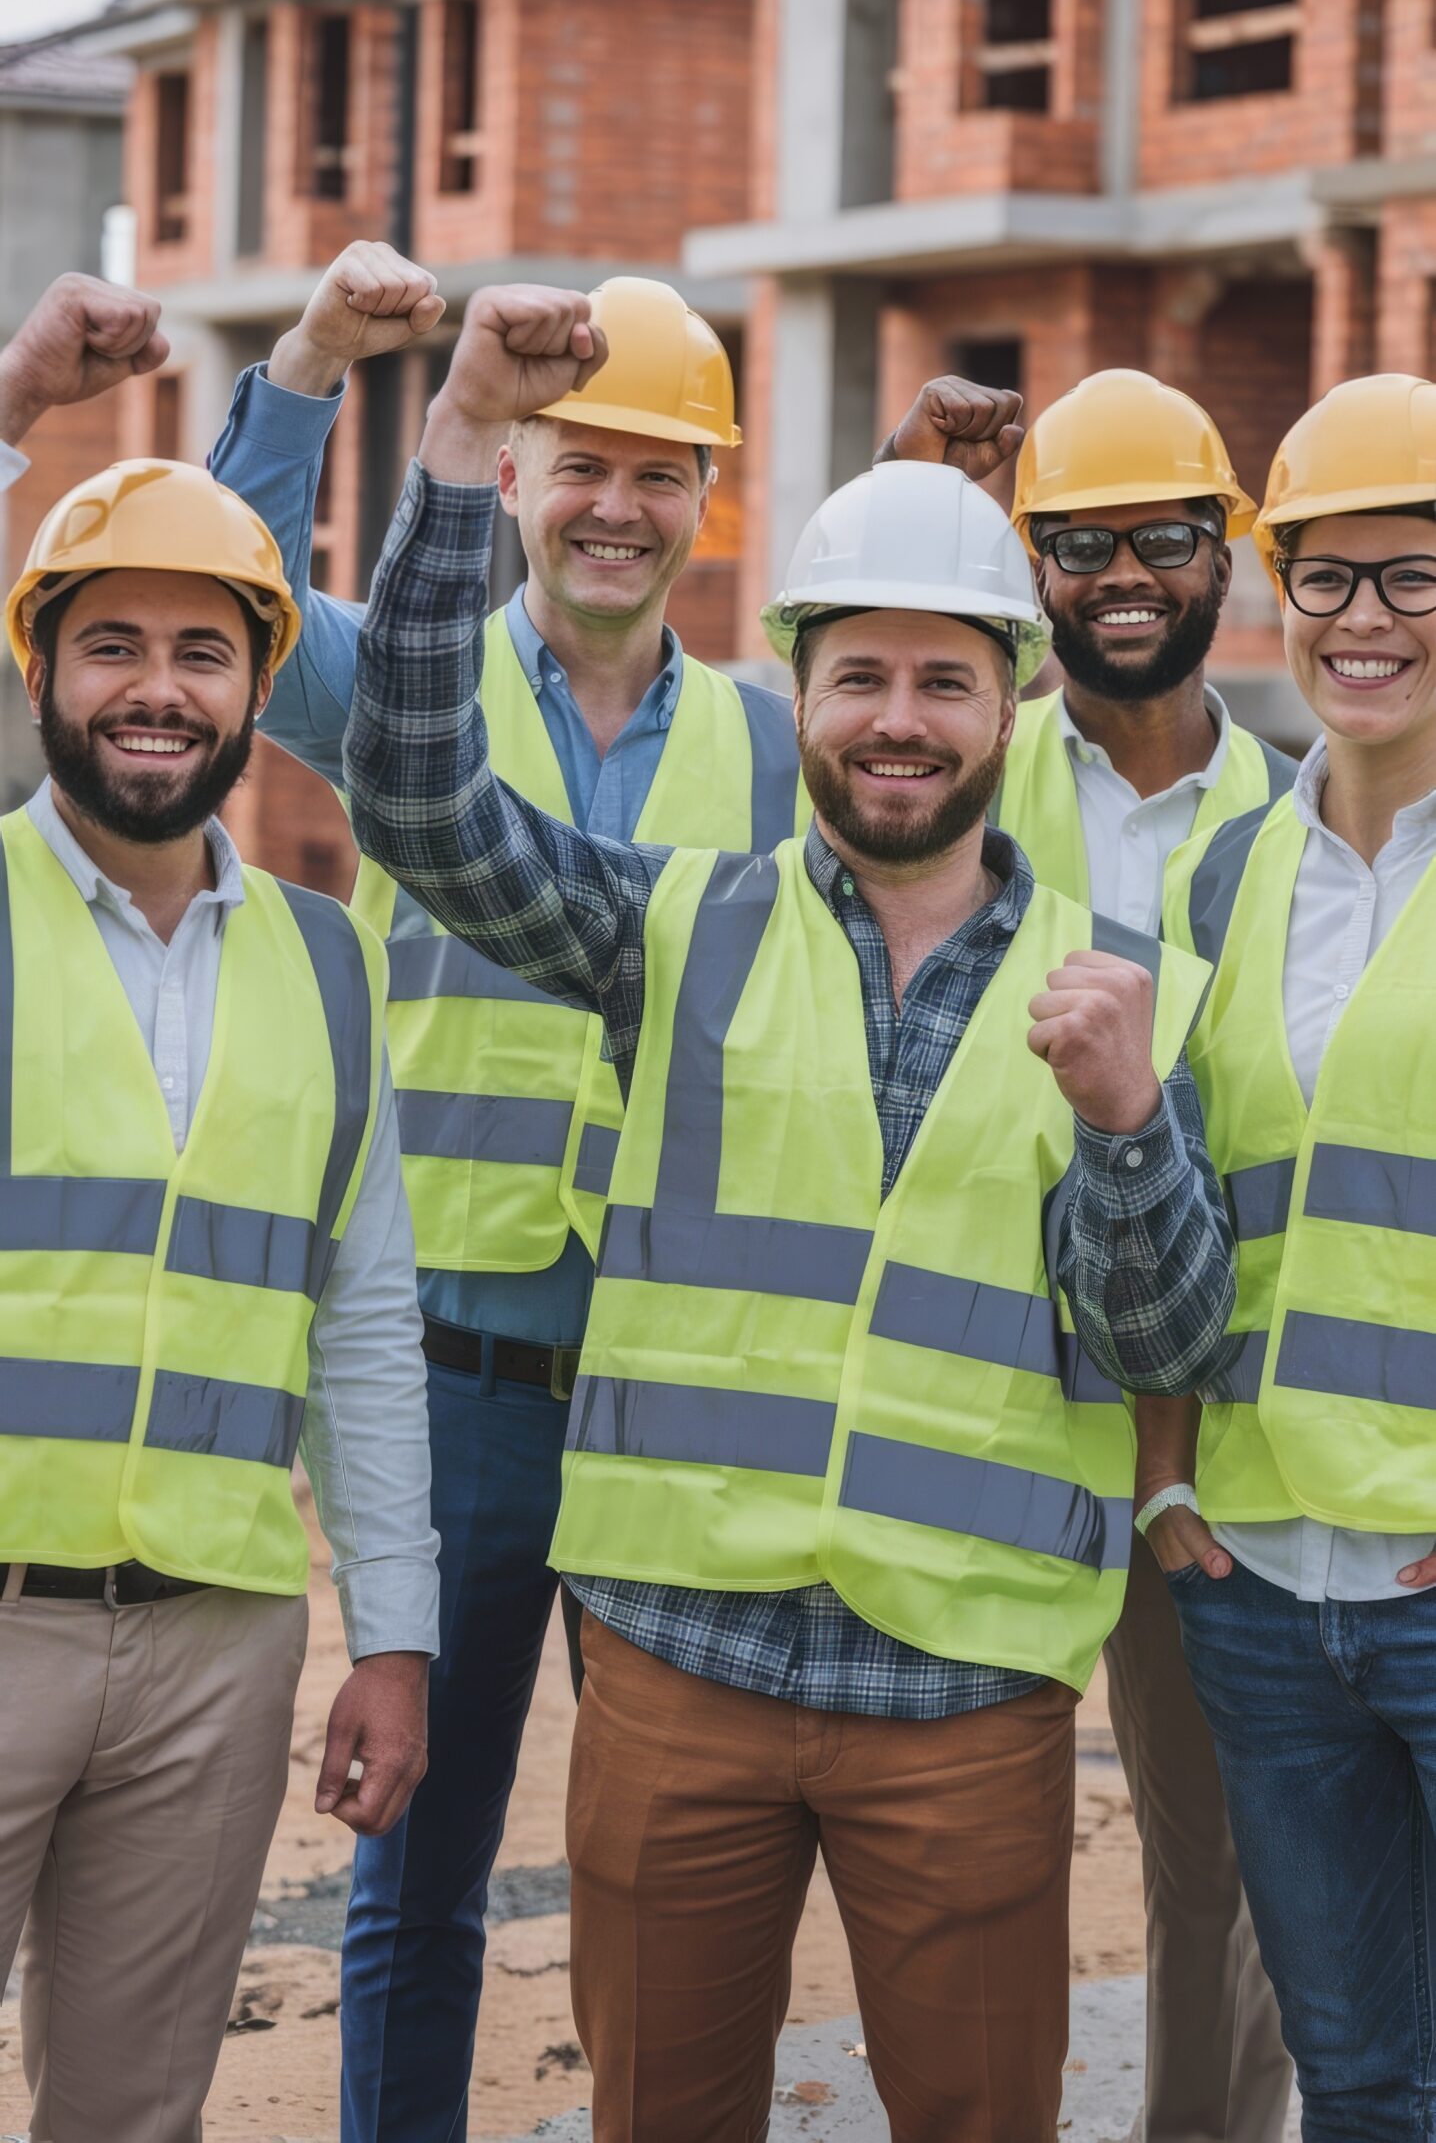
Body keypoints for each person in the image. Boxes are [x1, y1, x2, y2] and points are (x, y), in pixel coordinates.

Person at [341, 282, 1237, 2143]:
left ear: (1015, 696)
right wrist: (454, 440)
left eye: (945, 680)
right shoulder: (672, 927)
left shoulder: (1124, 991)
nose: (898, 724)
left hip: (971, 1700)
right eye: (860, 677)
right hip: (683, 1676)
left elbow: (1162, 1344)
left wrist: (1134, 1130)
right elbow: (419, 793)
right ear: (803, 689)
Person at [208, 247, 810, 2142]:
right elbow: (204, 578)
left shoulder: (777, 746)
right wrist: (311, 359)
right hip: (452, 1383)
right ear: (526, 475)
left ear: (708, 498)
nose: (618, 506)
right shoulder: (409, 671)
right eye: (583, 462)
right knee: (423, 1869)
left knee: (664, 1878)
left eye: (660, 471)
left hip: (670, 1384)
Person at [0, 275, 439, 2143]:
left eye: (202, 649)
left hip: (218, 1639)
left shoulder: (330, 968)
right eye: (111, 644)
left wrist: (395, 1637)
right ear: (42, 672)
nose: (157, 689)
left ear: (265, 685)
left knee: (136, 2116)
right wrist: (18, 395)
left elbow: (360, 1325)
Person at [889, 363, 1297, 2143]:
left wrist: (1177, 1455)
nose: (1122, 572)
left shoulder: (1304, 824)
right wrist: (911, 490)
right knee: (943, 1872)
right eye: (1075, 543)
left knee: (1227, 1881)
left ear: (1226, 557)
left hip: (1191, 1453)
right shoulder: (956, 778)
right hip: (966, 1420)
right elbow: (836, 723)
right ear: (1027, 564)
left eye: (1163, 537)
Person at [1143, 372, 1436, 2141]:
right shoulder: (1228, 874)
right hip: (1260, 1584)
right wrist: (1175, 1487)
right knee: (1359, 2083)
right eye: (1329, 579)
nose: (1365, 621)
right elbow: (1186, 1206)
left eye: (1415, 577)